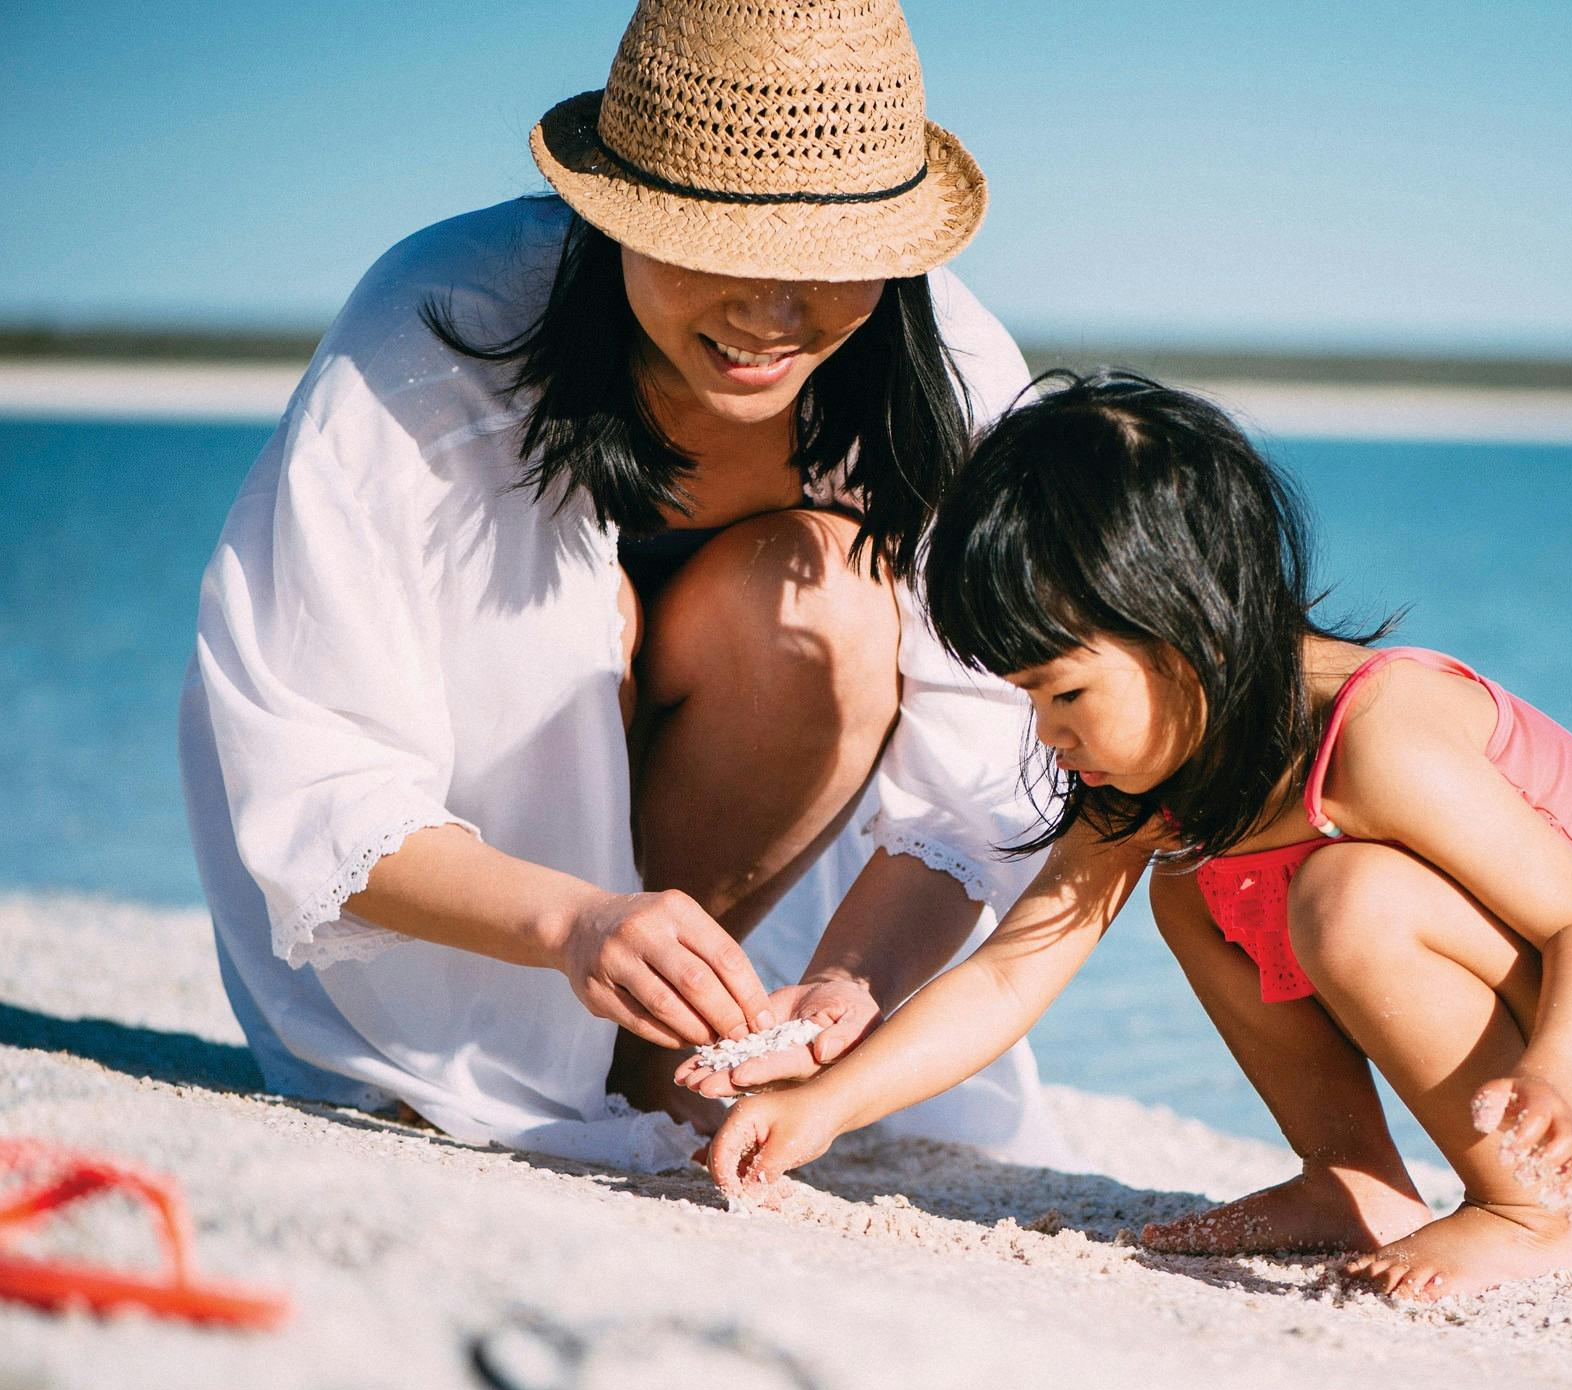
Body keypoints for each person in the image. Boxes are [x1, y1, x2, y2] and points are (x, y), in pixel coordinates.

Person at [179, 0, 1063, 1172]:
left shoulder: (944, 372)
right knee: (580, 614)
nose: (769, 312)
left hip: (757, 853)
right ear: (612, 208)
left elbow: (987, 756)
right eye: (718, 244)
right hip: (469, 922)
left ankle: (672, 1047)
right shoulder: (441, 326)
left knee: (828, 603)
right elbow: (310, 767)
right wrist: (573, 922)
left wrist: (854, 982)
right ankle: (536, 1035)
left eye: (826, 264)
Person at [692, 375, 1572, 1299]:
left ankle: (1530, 1217)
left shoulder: (1378, 734)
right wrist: (825, 1106)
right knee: (1197, 879)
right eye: (1029, 700)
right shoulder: (1146, 786)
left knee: (1350, 897)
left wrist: (1554, 1082)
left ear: (1191, 635)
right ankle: (1352, 1176)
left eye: (1068, 692)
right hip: (1543, 1008)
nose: (1050, 734)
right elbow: (1012, 973)